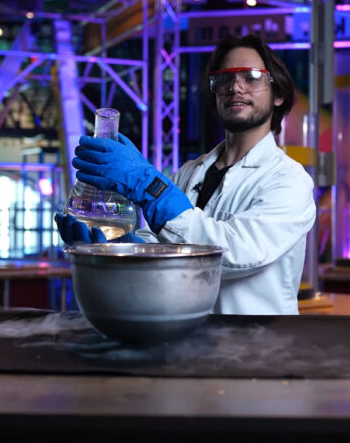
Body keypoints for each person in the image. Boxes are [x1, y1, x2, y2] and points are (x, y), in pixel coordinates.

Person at [56, 34, 316, 315]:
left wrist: (150, 186)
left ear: (278, 95)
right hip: (184, 342)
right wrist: (122, 248)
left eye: (252, 77)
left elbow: (237, 252)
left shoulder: (289, 180)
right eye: (225, 79)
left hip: (254, 348)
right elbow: (165, 245)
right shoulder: (192, 172)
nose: (236, 87)